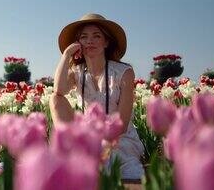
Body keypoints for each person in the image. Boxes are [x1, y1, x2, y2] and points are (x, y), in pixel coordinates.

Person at [50, 13, 144, 182]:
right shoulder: (77, 73)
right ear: (78, 43)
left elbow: (121, 124)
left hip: (118, 140)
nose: (90, 41)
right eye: (84, 37)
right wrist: (66, 55)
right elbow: (59, 90)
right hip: (88, 138)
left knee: (118, 168)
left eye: (96, 36)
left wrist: (99, 146)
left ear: (106, 42)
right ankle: (69, 147)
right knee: (55, 99)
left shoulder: (124, 73)